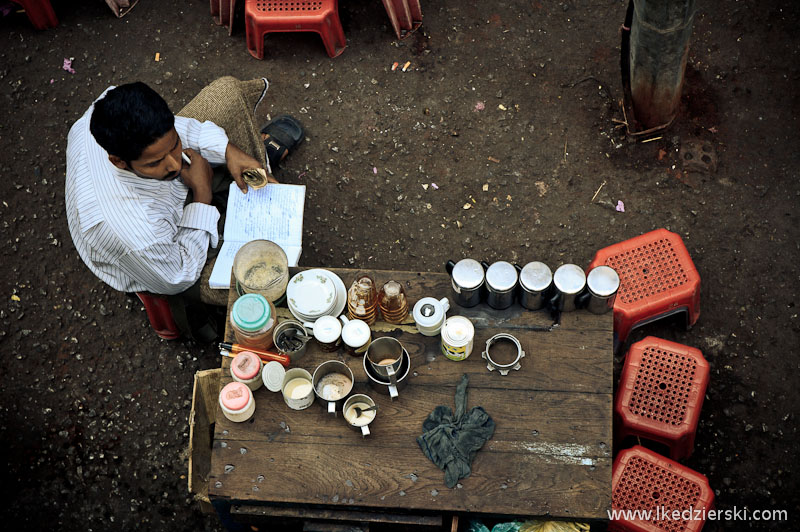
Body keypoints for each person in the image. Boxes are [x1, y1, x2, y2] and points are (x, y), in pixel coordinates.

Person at [65, 77, 304, 340]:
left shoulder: (113, 106)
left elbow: (185, 129)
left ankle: (252, 163)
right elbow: (179, 275)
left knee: (227, 92)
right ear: (119, 162)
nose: (175, 164)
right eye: (156, 162)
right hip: (162, 259)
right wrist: (202, 194)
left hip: (167, 203)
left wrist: (230, 151)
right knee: (268, 278)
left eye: (175, 146)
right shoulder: (133, 231)